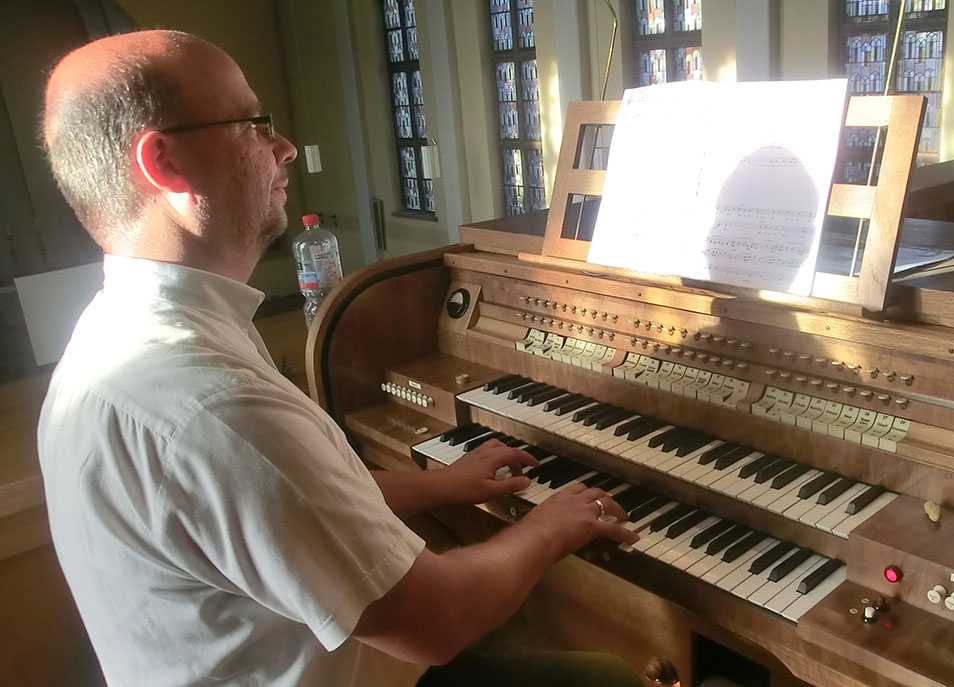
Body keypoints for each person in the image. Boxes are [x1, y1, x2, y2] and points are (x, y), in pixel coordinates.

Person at [38, 29, 640, 687]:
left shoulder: (112, 334)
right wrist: (552, 526)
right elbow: (434, 621)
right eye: (253, 124)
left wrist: (439, 483)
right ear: (166, 165)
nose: (286, 147)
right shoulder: (209, 402)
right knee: (609, 677)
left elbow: (285, 510)